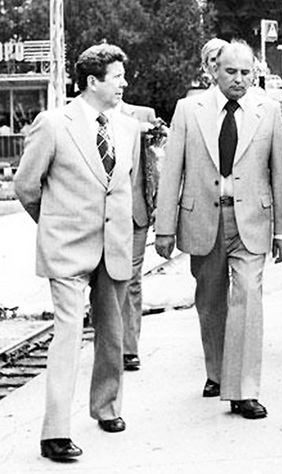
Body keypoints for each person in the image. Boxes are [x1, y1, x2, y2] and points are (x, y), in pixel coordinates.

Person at [14, 43, 140, 461]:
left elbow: (122, 187)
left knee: (113, 335)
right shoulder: (53, 124)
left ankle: (107, 407)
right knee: (68, 337)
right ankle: (55, 433)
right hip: (67, 250)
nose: (124, 84)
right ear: (92, 81)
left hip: (114, 247)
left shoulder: (127, 128)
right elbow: (26, 186)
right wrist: (54, 223)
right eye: (117, 77)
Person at [155, 40, 282, 419]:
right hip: (203, 219)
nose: (239, 79)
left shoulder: (268, 110)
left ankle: (243, 390)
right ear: (214, 71)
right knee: (211, 301)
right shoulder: (188, 110)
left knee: (248, 298)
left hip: (251, 221)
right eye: (231, 71)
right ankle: (217, 372)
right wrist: (164, 227)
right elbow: (172, 171)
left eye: (246, 72)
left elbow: (281, 173)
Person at [118, 101, 157, 371]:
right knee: (103, 281)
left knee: (131, 279)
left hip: (135, 213)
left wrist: (158, 203)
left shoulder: (143, 116)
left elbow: (156, 162)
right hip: (98, 215)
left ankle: (129, 349)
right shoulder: (86, 117)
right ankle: (109, 343)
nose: (121, 83)